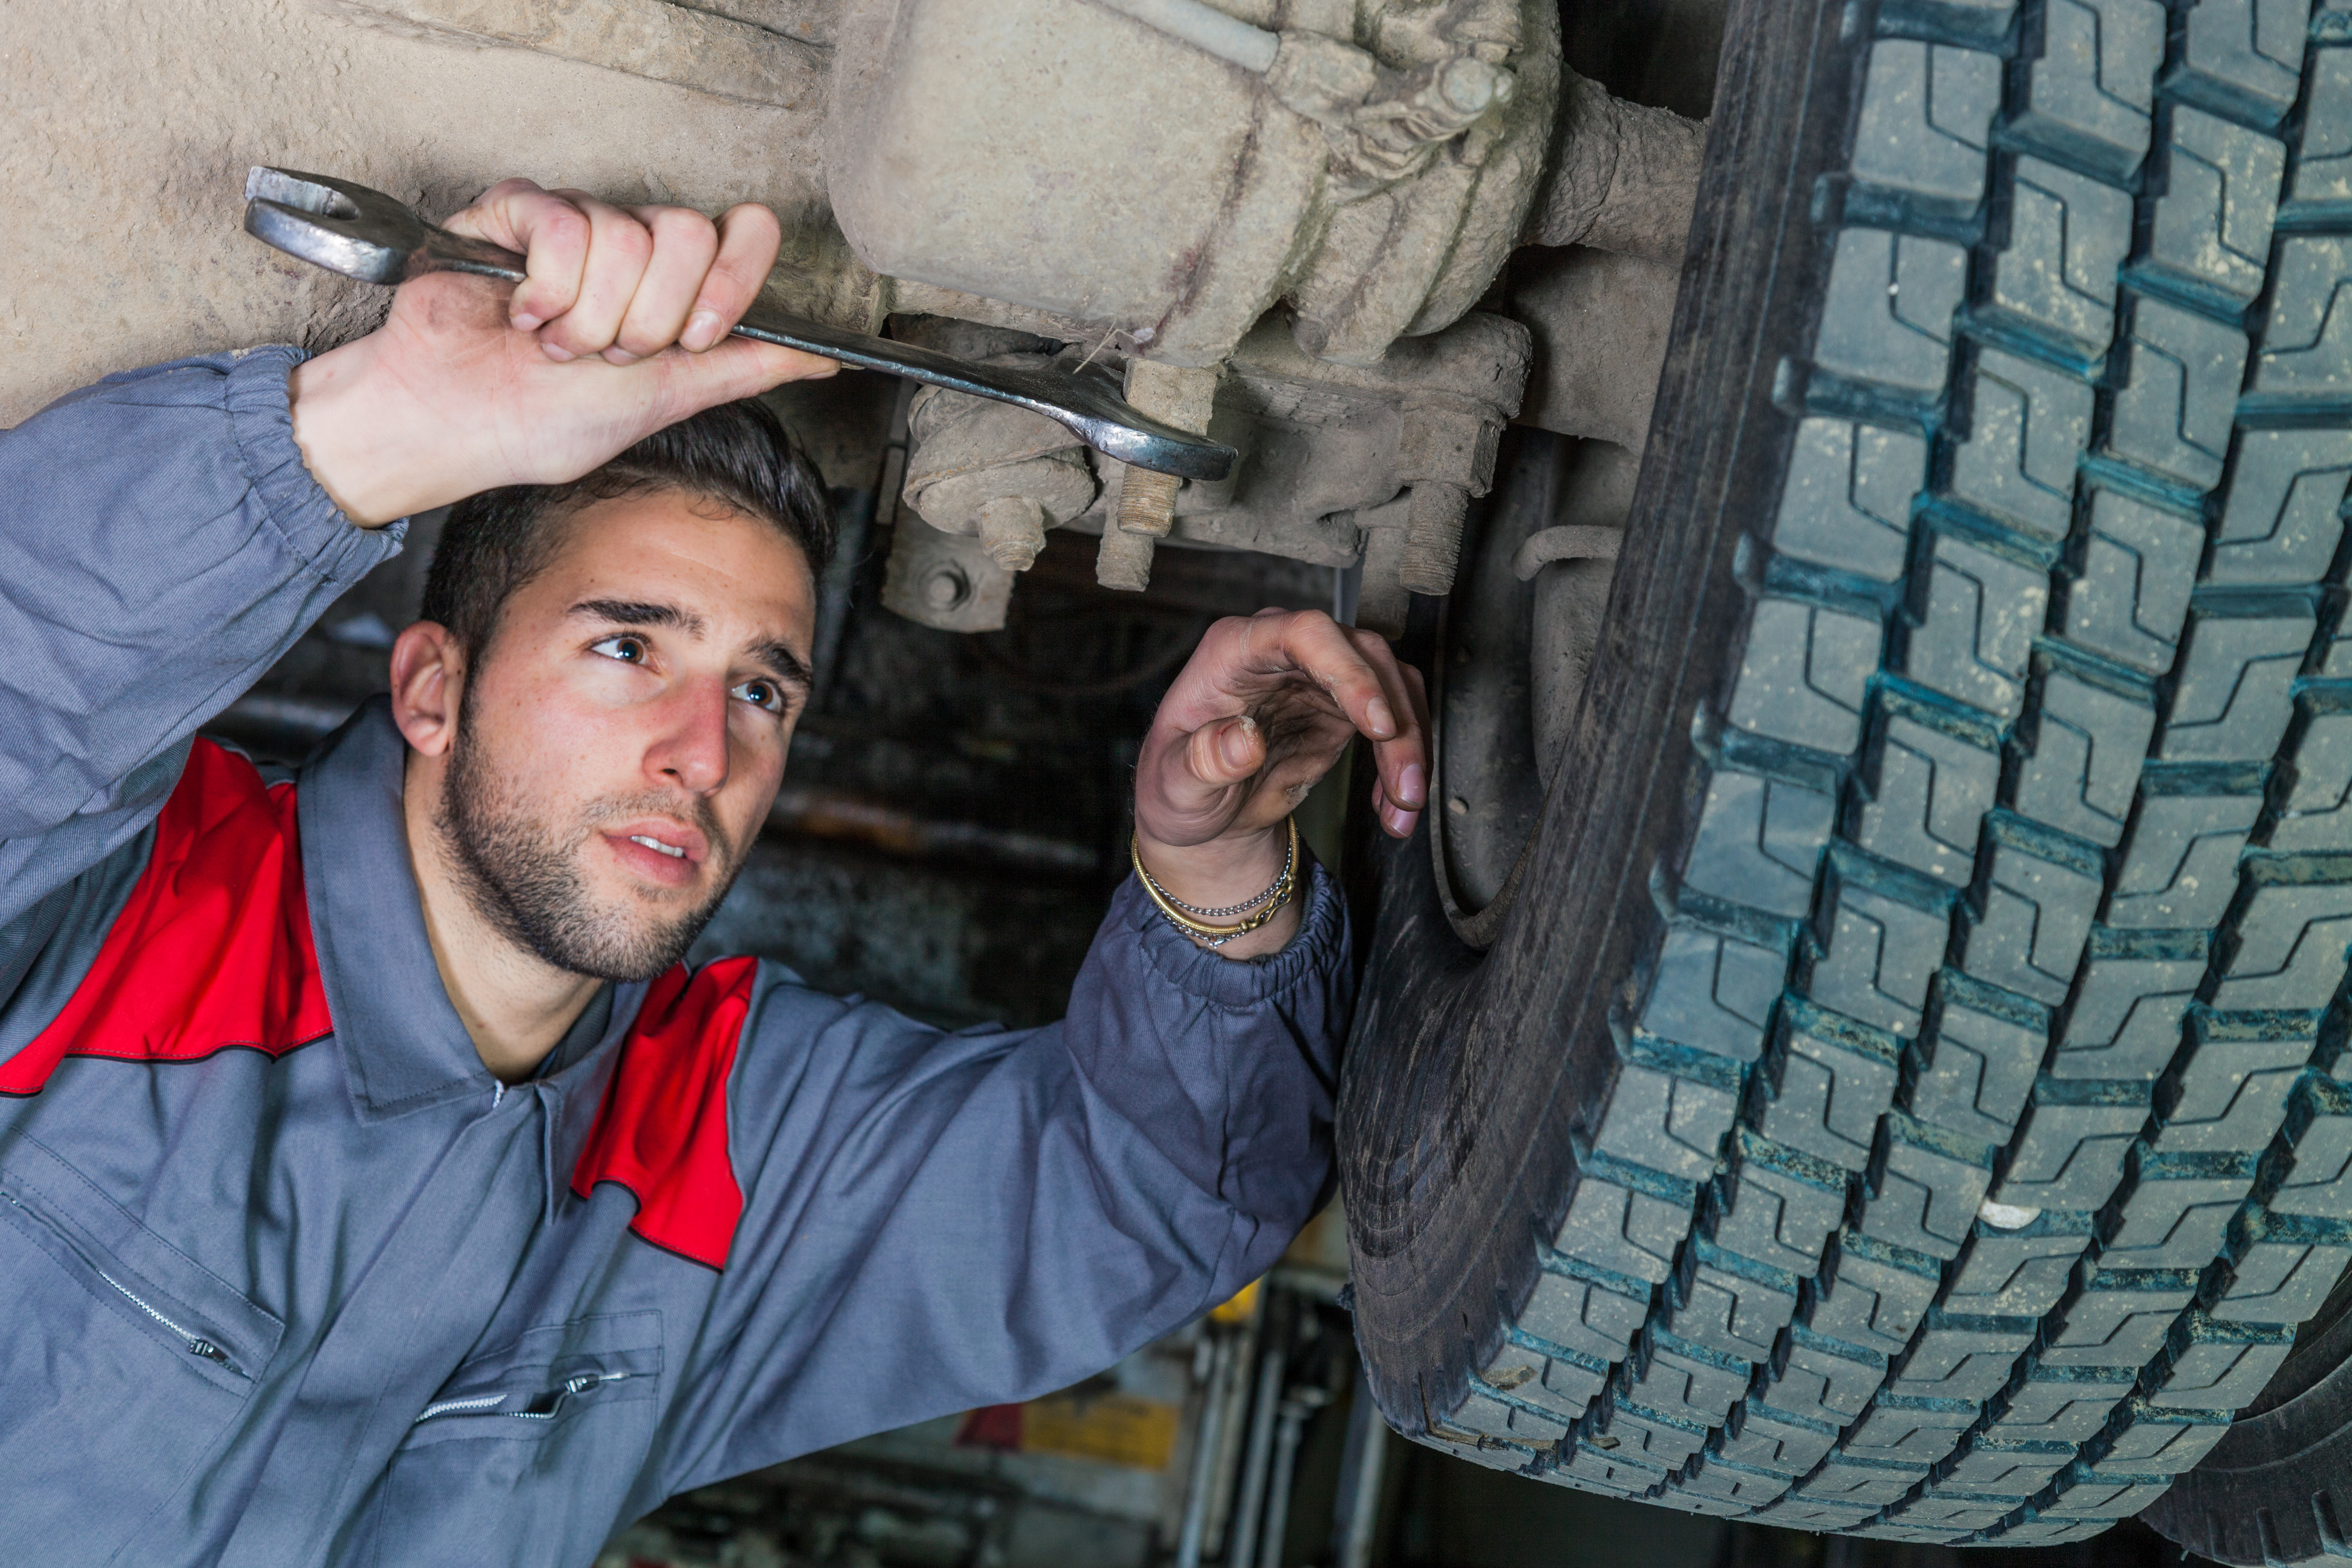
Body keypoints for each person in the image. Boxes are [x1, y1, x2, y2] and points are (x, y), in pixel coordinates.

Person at [0, 179, 1428, 1565]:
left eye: (763, 692)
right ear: (434, 689)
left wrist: (1216, 857)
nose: (705, 751)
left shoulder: (740, 1137)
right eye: (630, 648)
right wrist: (390, 428)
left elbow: (1153, 1198)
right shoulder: (116, 908)